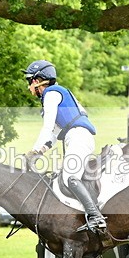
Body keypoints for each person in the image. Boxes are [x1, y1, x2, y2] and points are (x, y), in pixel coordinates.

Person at [23, 59, 106, 235]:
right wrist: (40, 152)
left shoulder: (51, 94)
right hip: (76, 137)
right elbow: (52, 135)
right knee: (62, 177)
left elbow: (47, 127)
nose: (29, 86)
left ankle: (95, 216)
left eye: (30, 81)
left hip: (77, 137)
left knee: (69, 176)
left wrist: (33, 151)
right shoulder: (58, 93)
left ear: (37, 81)